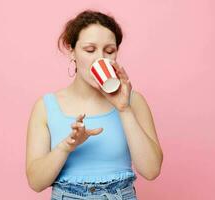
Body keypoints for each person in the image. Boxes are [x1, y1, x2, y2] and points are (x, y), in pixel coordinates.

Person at [26, 9, 163, 200]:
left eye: (109, 51)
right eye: (90, 50)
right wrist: (66, 146)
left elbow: (151, 170)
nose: (101, 58)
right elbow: (36, 182)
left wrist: (124, 109)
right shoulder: (45, 106)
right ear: (71, 51)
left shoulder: (134, 101)